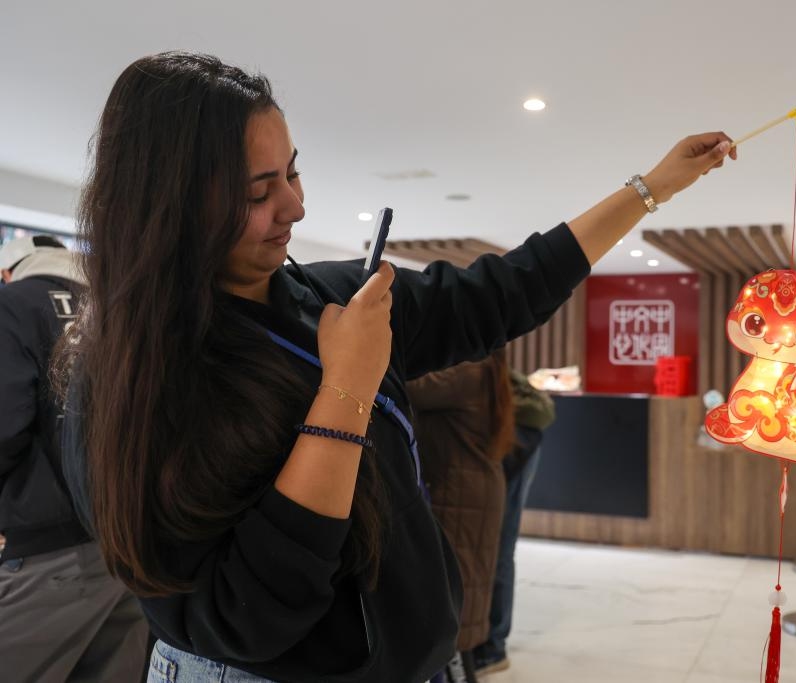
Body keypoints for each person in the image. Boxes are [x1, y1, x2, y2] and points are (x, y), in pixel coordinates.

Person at [59, 51, 736, 683]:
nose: (296, 206)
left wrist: (653, 187)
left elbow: (505, 290)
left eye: (292, 172)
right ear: (170, 207)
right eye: (259, 190)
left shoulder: (327, 295)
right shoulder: (126, 384)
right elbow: (247, 611)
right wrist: (346, 387)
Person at [0, 235, 148, 682]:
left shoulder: (15, 305)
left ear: (9, 271)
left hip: (46, 552)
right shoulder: (117, 308)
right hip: (127, 550)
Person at [407, 350, 517, 683]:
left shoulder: (466, 367)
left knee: (458, 599)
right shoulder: (479, 363)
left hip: (461, 493)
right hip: (468, 487)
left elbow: (411, 387)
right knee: (462, 593)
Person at [473, 369, 556, 676]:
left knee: (498, 547)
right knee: (497, 546)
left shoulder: (466, 356)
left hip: (513, 439)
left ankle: (493, 646)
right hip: (514, 436)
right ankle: (490, 642)